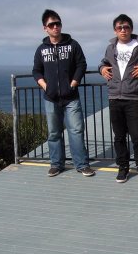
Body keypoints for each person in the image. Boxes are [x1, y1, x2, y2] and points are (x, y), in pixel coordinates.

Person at [99, 14, 138, 183]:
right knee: (118, 136)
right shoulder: (111, 48)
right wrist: (101, 68)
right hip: (114, 97)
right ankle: (123, 168)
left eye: (126, 27)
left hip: (133, 96)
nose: (123, 30)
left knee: (137, 135)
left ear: (131, 29)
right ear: (115, 30)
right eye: (119, 28)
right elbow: (104, 62)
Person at [33, 9, 95, 178]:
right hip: (51, 98)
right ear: (45, 28)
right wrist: (45, 86)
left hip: (71, 97)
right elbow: (36, 71)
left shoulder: (72, 45)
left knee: (76, 130)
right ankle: (56, 164)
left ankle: (81, 164)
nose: (55, 27)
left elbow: (81, 64)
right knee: (54, 133)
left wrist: (73, 83)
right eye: (51, 25)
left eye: (57, 24)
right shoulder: (41, 49)